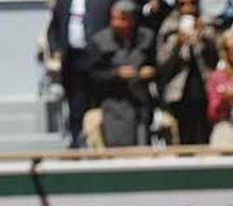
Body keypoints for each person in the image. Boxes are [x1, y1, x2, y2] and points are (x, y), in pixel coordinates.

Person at [47, 0, 117, 148]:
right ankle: (76, 140)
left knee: (99, 101)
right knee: (76, 104)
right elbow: (54, 28)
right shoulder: (64, 3)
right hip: (73, 59)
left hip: (99, 59)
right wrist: (56, 50)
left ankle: (101, 142)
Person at [88, 0, 157, 147]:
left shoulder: (147, 37)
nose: (116, 23)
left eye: (122, 19)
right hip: (115, 104)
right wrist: (116, 74)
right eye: (114, 19)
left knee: (144, 146)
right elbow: (94, 74)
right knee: (120, 146)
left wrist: (150, 71)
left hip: (142, 102)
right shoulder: (100, 41)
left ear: (132, 20)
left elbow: (158, 64)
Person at [157, 0, 219, 144]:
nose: (188, 8)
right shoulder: (168, 27)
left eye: (192, 3)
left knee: (205, 134)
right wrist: (177, 43)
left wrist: (204, 36)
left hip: (204, 87)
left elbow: (218, 54)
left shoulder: (208, 23)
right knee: (183, 134)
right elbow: (162, 62)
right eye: (183, 4)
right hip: (179, 90)